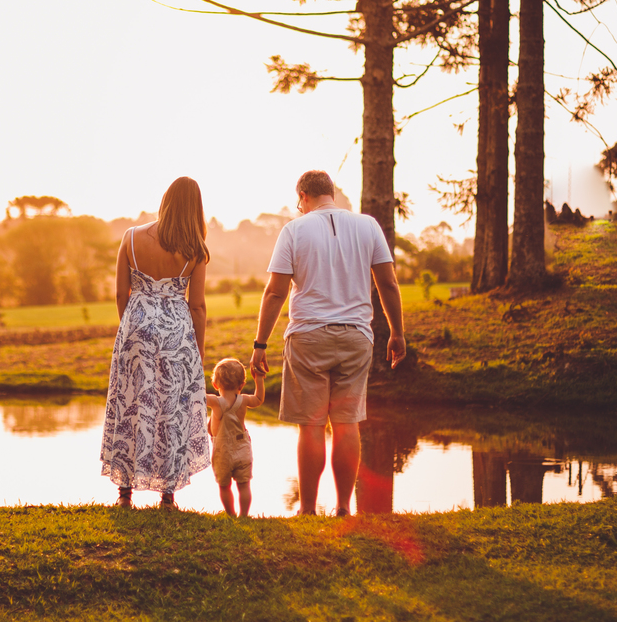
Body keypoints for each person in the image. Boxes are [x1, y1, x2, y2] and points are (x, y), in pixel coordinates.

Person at [250, 170, 405, 516]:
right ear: (331, 194)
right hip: (356, 336)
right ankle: (343, 507)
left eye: (297, 201)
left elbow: (275, 291)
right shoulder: (368, 227)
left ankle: (307, 510)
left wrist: (260, 344)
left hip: (308, 337)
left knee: (312, 424)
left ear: (304, 195)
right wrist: (396, 332)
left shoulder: (294, 229)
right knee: (347, 422)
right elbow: (388, 285)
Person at [100, 177, 211, 509]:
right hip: (176, 334)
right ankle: (167, 496)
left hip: (135, 327)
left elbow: (122, 293)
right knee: (169, 409)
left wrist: (132, 326)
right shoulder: (196, 250)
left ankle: (124, 494)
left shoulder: (131, 237)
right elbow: (198, 306)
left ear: (165, 200)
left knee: (131, 403)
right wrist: (199, 351)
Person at [205, 357, 266, 517]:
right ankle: (244, 515)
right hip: (242, 448)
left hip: (222, 452)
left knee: (224, 486)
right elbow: (259, 399)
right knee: (244, 485)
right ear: (242, 385)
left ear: (215, 385)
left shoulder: (215, 402)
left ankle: (231, 514)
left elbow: (196, 397)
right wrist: (259, 379)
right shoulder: (244, 400)